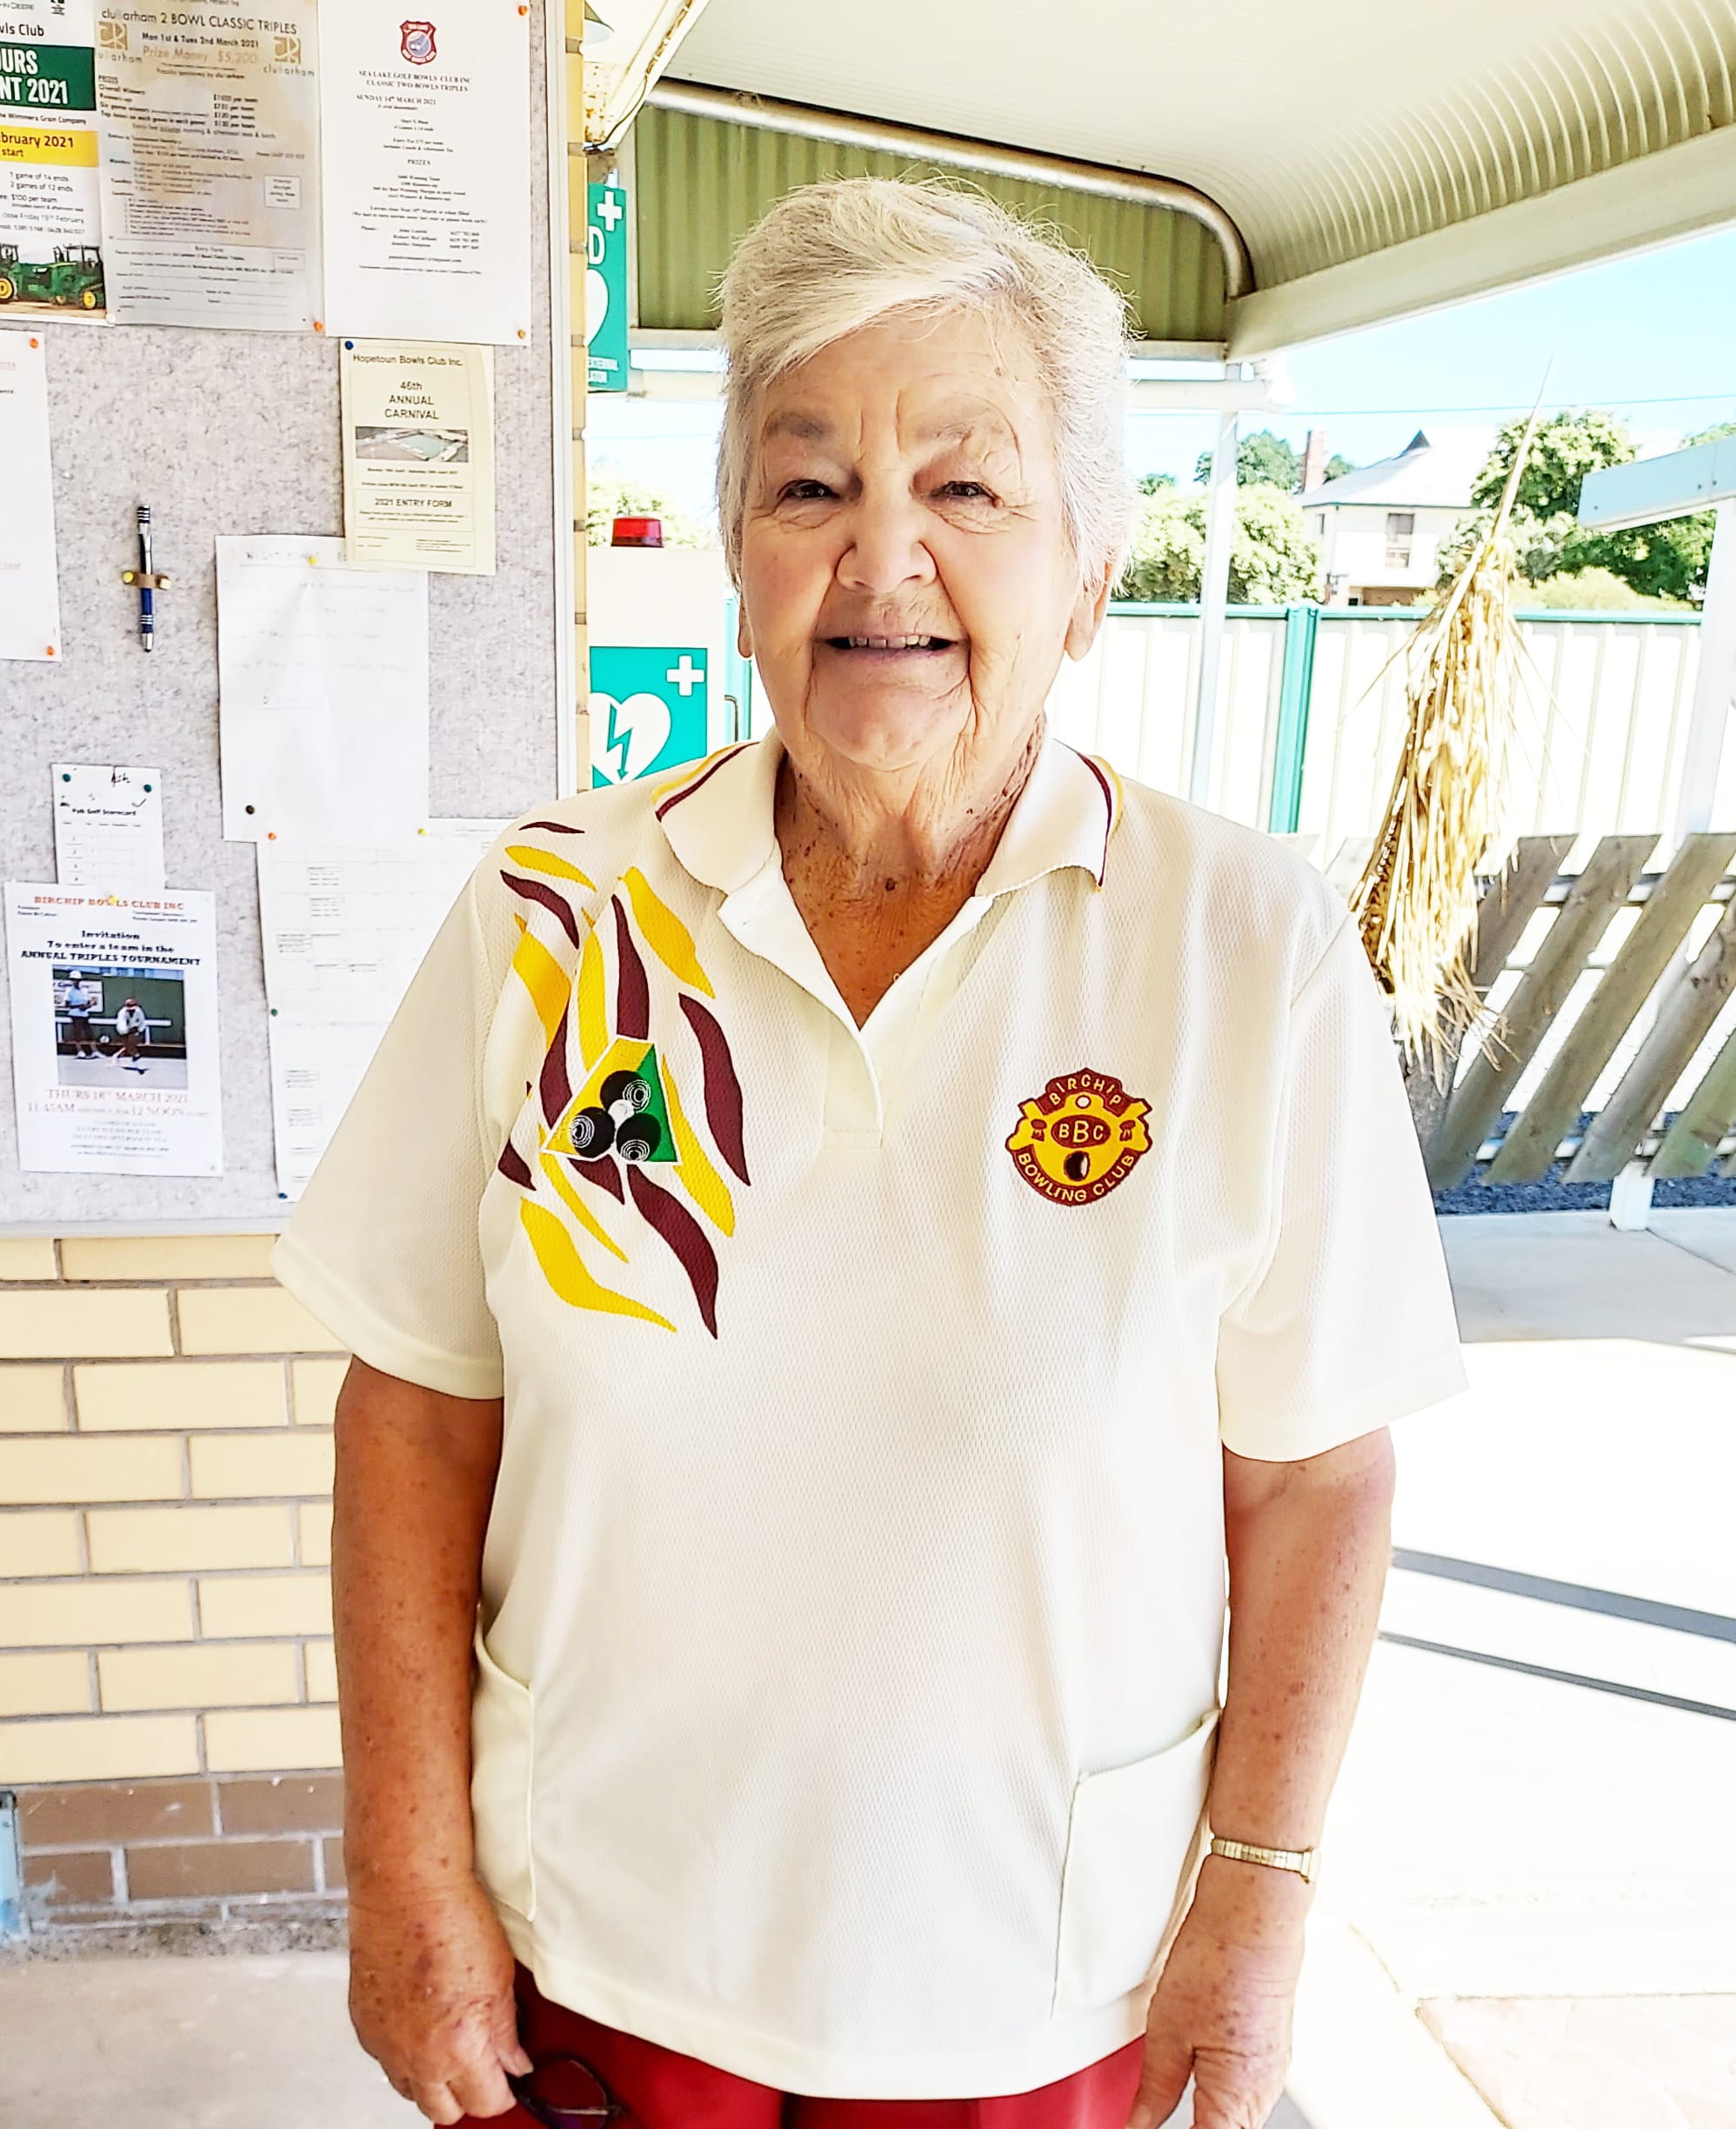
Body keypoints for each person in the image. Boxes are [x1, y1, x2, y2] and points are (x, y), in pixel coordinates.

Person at [272, 178, 1468, 2129]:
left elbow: (1317, 1468)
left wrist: (1255, 1900)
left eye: (967, 493)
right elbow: (410, 1407)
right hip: (596, 1950)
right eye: (808, 486)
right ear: (737, 551)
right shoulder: (561, 911)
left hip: (1033, 1982)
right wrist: (401, 1868)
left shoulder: (1239, 944)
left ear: (1086, 573)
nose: (878, 559)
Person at [62, 973, 97, 1058]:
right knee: (78, 1034)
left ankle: (95, 1051)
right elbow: (67, 1005)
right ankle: (80, 1051)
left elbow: (88, 1002)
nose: (76, 982)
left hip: (85, 1014)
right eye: (74, 980)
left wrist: (88, 1005)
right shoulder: (69, 991)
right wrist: (79, 1007)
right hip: (75, 1014)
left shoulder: (84, 990)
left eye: (78, 980)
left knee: (89, 1033)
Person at [113, 997, 150, 1071]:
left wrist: (139, 1030)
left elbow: (142, 1021)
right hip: (123, 1030)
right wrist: (125, 1032)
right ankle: (118, 1056)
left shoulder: (139, 1011)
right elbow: (121, 1024)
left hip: (134, 1030)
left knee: (131, 1044)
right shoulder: (122, 1012)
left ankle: (136, 1057)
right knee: (127, 1046)